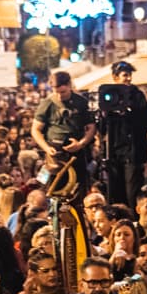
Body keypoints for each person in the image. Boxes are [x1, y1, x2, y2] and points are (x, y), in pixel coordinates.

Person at [33, 71, 95, 200]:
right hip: (54, 152)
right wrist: (46, 148)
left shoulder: (81, 102)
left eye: (63, 92)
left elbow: (91, 127)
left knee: (78, 190)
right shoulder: (47, 103)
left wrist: (81, 144)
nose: (59, 96)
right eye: (56, 92)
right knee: (51, 190)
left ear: (69, 86)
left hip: (76, 151)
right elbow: (36, 129)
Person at [99, 60, 147, 208]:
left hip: (132, 152)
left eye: (129, 75)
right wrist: (105, 114)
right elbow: (102, 129)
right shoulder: (109, 95)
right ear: (115, 77)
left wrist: (129, 111)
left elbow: (144, 122)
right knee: (115, 193)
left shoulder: (137, 95)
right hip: (113, 152)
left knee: (132, 193)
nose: (128, 78)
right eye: (125, 75)